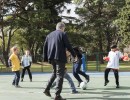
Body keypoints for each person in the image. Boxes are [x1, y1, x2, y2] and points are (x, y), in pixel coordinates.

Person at [43, 22, 76, 100]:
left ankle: (46, 89)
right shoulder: (63, 34)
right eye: (64, 28)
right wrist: (74, 55)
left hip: (51, 58)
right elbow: (68, 45)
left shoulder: (49, 35)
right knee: (60, 75)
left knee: (54, 73)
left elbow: (45, 47)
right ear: (62, 28)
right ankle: (57, 95)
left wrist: (45, 58)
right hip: (60, 57)